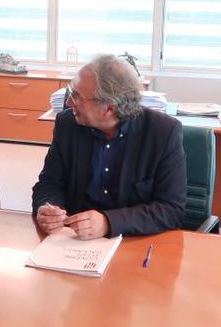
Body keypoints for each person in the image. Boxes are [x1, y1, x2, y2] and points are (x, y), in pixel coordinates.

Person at [32, 54, 186, 240]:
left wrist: (108, 222)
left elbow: (171, 210)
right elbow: (49, 183)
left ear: (109, 109)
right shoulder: (67, 124)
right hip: (73, 242)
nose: (69, 102)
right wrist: (47, 207)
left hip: (133, 242)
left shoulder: (162, 132)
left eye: (77, 97)